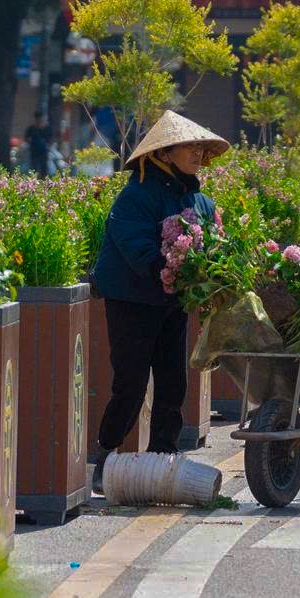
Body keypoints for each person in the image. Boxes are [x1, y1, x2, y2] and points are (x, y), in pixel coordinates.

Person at [87, 111, 226, 488]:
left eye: (201, 146)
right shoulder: (135, 195)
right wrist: (172, 270)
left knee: (173, 381)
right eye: (189, 146)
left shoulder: (200, 201)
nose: (198, 152)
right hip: (131, 299)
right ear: (164, 153)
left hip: (171, 301)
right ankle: (106, 454)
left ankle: (163, 455)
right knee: (130, 382)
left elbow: (215, 247)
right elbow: (137, 251)